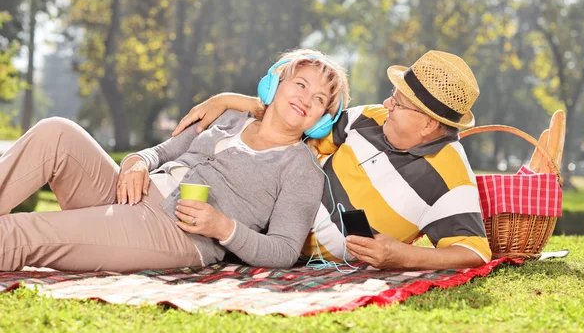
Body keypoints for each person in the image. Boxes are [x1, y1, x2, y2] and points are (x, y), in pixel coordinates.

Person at [0, 49, 350, 272]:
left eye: (320, 98)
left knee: (22, 232)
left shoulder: (301, 169)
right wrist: (137, 161)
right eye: (301, 84)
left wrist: (223, 228)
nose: (307, 98)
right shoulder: (227, 117)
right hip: (128, 193)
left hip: (172, 233)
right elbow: (161, 152)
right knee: (56, 132)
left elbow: (285, 250)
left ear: (321, 120)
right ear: (274, 84)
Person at [173, 50, 492, 270]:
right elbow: (301, 120)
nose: (386, 104)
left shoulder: (450, 177)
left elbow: (474, 251)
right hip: (254, 213)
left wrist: (402, 256)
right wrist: (228, 100)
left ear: (428, 124)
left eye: (398, 103)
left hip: (271, 247)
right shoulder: (370, 117)